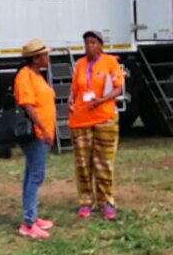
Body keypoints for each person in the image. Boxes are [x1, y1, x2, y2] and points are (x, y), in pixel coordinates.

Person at [67, 30, 125, 218]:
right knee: (83, 163)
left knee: (104, 163)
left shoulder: (110, 62)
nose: (89, 46)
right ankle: (85, 201)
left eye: (93, 43)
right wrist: (70, 100)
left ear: (101, 45)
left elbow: (118, 89)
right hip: (81, 120)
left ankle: (106, 202)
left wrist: (101, 101)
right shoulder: (80, 64)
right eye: (87, 43)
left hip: (104, 119)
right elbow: (75, 88)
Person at [14, 39, 59, 236]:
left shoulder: (36, 75)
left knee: (31, 173)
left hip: (42, 132)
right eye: (44, 55)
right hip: (35, 133)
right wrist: (43, 128)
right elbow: (28, 105)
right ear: (35, 58)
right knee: (36, 175)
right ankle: (29, 223)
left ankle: (31, 216)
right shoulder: (25, 76)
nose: (47, 58)